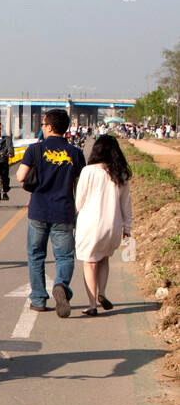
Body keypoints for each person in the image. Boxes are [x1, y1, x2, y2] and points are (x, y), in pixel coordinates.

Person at [15, 109, 86, 317]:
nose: (42, 128)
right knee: (64, 256)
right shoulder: (76, 153)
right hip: (64, 211)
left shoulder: (35, 150)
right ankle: (61, 285)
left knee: (36, 255)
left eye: (44, 125)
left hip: (38, 210)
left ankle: (38, 299)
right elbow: (79, 185)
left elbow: (20, 176)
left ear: (50, 127)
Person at [74, 133, 133, 316]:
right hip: (113, 226)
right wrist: (127, 228)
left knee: (89, 263)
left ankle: (92, 304)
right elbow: (126, 205)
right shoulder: (121, 174)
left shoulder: (88, 171)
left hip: (90, 225)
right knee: (104, 259)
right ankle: (103, 293)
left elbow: (79, 202)